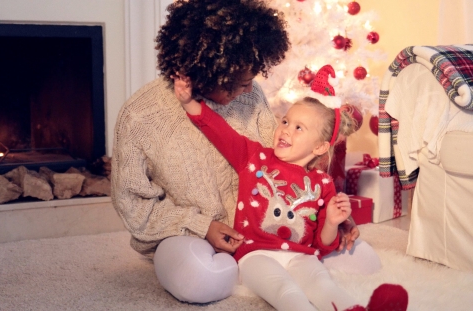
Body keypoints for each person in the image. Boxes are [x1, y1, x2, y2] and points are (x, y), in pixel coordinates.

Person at [111, 0, 380, 304]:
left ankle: (256, 268)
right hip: (190, 236)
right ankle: (246, 268)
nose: (247, 90)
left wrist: (330, 218)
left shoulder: (249, 93)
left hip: (267, 235)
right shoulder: (140, 116)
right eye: (238, 85)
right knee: (198, 278)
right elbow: (134, 208)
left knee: (365, 260)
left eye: (250, 81)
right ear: (209, 73)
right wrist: (202, 226)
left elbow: (288, 167)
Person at [174, 74, 408, 310]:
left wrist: (333, 222)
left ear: (319, 147)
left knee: (322, 284)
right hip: (255, 255)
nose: (286, 130)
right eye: (285, 122)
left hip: (302, 255)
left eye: (298, 128)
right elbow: (219, 130)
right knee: (285, 290)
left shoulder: (323, 183)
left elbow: (323, 244)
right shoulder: (254, 157)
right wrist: (188, 102)